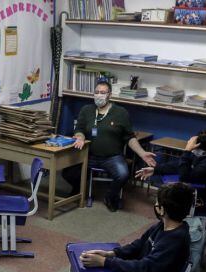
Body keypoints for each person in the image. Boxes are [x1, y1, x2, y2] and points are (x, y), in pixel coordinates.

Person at [60, 81, 156, 212]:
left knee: (123, 174)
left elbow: (130, 137)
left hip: (112, 157)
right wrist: (80, 136)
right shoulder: (86, 110)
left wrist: (142, 153)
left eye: (103, 92)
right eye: (97, 92)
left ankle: (111, 197)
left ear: (109, 95)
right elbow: (79, 129)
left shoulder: (120, 113)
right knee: (67, 172)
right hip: (88, 155)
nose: (99, 95)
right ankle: (79, 188)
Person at [134, 128, 206, 215]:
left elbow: (185, 177)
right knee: (166, 199)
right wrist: (156, 170)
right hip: (204, 194)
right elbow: (180, 166)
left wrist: (187, 151)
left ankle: (174, 231)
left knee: (166, 203)